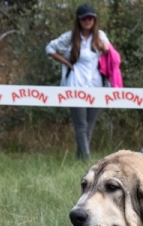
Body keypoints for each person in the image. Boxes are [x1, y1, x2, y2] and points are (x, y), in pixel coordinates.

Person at [46, 3, 109, 160]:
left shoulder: (100, 35)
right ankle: (87, 159)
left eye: (90, 18)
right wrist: (66, 62)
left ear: (94, 19)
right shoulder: (70, 37)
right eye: (84, 19)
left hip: (96, 86)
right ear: (79, 20)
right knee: (80, 125)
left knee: (89, 125)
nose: (87, 21)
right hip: (75, 85)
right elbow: (50, 48)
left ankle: (78, 158)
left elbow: (109, 50)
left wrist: (104, 47)